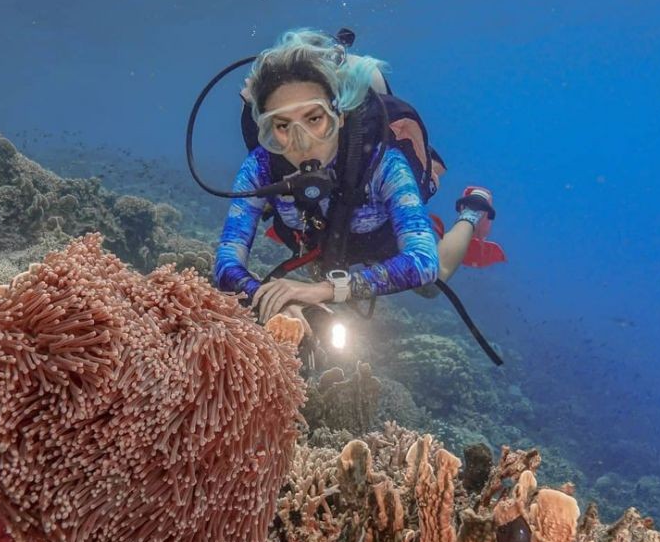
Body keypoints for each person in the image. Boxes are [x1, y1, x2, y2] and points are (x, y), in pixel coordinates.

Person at [213, 29, 497, 330]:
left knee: (432, 283)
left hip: (382, 234)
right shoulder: (259, 167)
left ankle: (472, 209)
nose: (302, 142)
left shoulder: (382, 162)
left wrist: (324, 291)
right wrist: (274, 299)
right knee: (317, 271)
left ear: (340, 115)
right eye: (282, 125)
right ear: (266, 128)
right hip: (319, 240)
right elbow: (226, 263)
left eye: (314, 119)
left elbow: (423, 263)